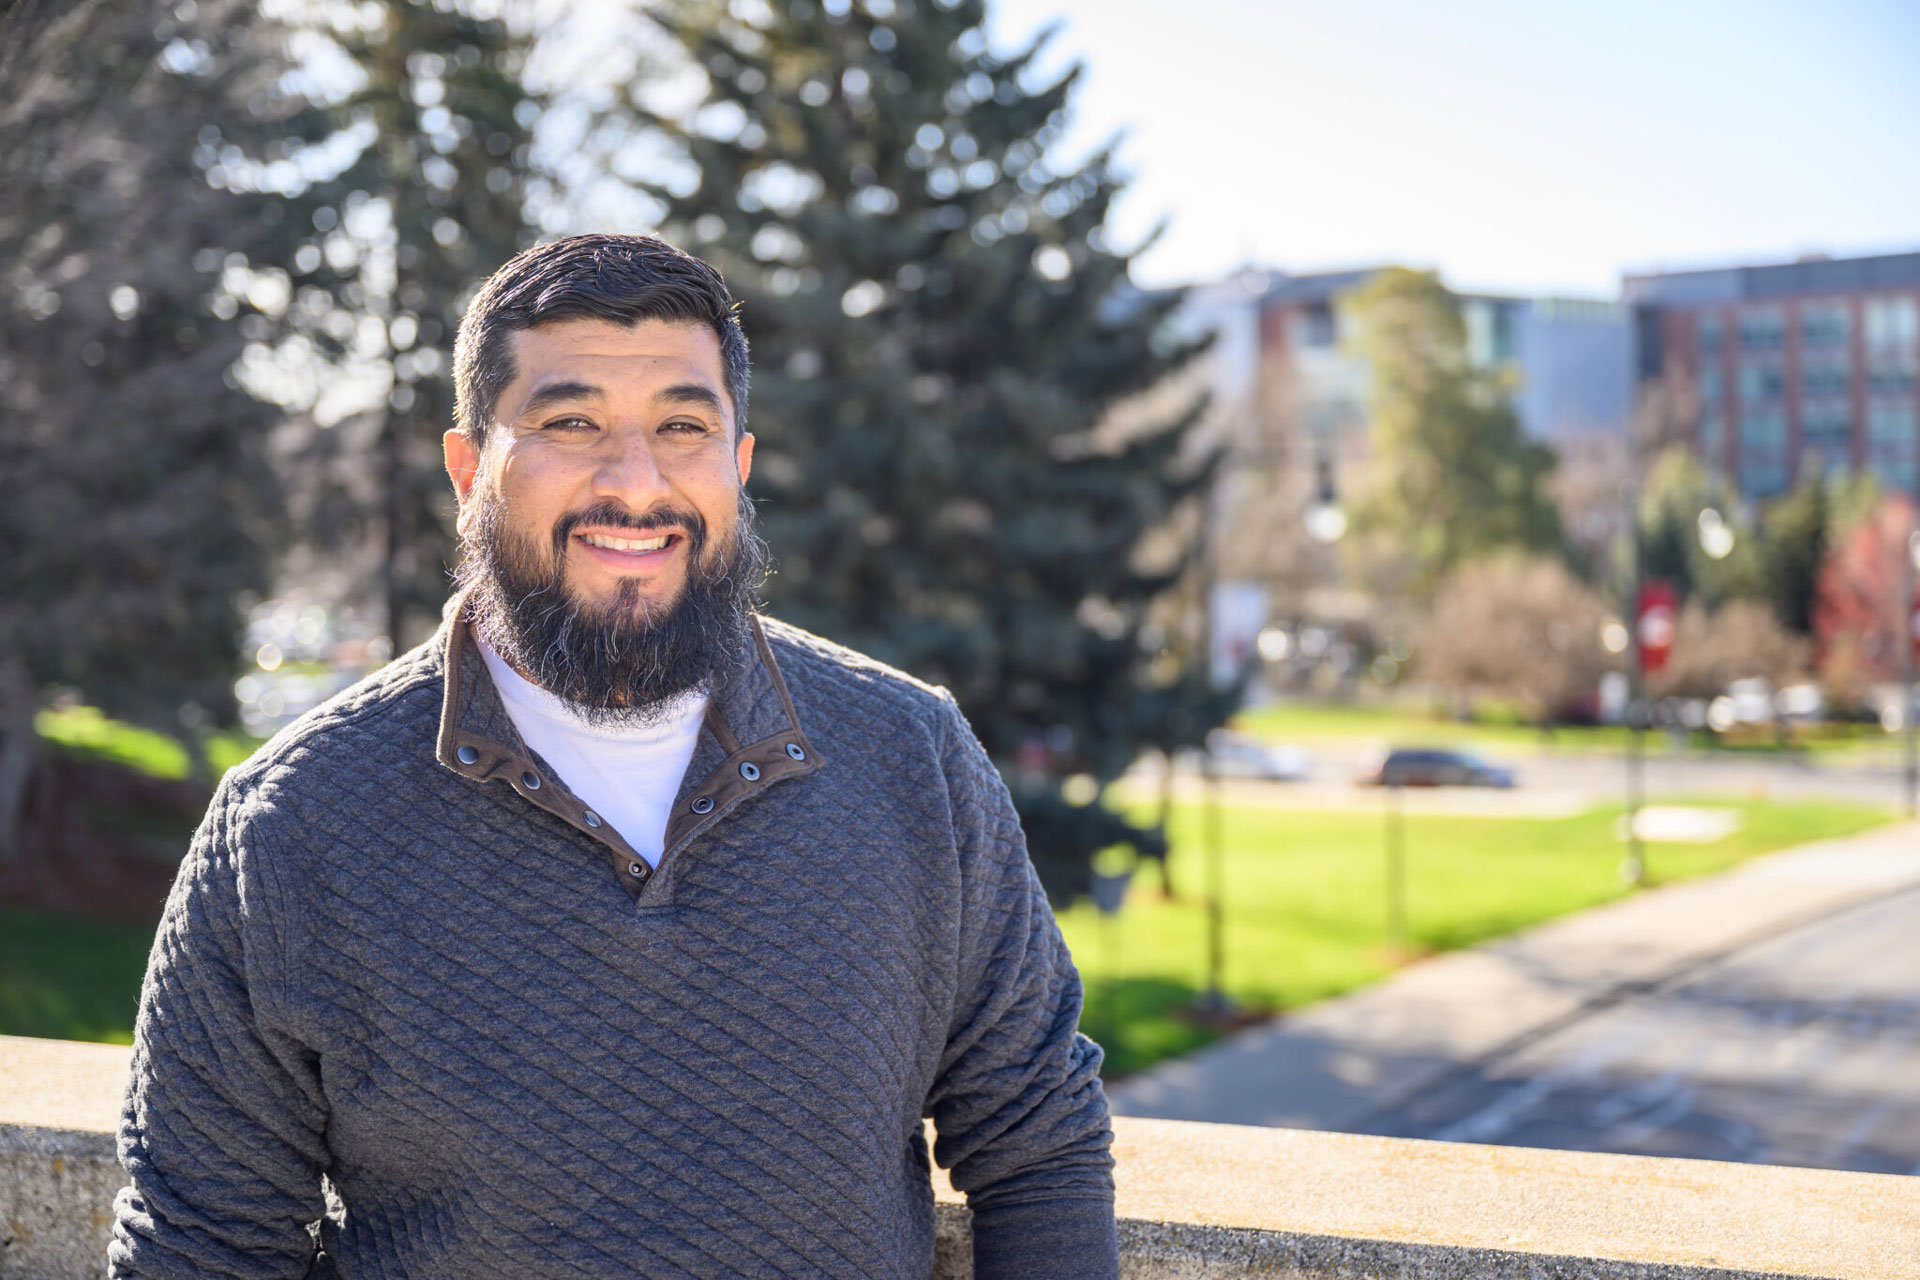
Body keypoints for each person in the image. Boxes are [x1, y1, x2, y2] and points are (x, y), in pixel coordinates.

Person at [111, 234, 1118, 1279]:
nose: (634, 483)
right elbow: (202, 1247)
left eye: (683, 425)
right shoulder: (288, 827)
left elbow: (1039, 1141)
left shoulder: (915, 758)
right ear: (469, 469)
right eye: (571, 421)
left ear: (739, 463)